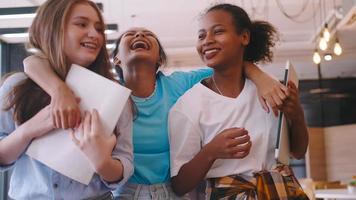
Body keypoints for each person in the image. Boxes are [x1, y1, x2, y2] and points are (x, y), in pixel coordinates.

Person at [24, 28, 288, 200]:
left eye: (148, 35)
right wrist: (58, 89)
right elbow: (32, 61)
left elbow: (231, 65)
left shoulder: (180, 85)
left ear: (159, 59)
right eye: (131, 34)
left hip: (177, 192)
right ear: (116, 59)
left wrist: (261, 78)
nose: (140, 35)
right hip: (121, 193)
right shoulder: (105, 94)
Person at [168, 3, 309, 199]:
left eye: (218, 32)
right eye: (201, 35)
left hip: (282, 191)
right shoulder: (187, 107)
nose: (207, 41)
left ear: (244, 37)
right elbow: (179, 185)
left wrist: (297, 115)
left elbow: (297, 152)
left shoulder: (270, 90)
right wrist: (210, 151)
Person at [0, 0, 133, 199]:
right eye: (81, 24)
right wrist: (29, 130)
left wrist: (102, 161)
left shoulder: (115, 96)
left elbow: (125, 163)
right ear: (52, 29)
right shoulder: (17, 88)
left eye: (99, 28)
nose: (94, 34)